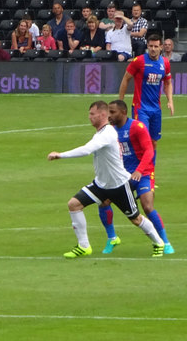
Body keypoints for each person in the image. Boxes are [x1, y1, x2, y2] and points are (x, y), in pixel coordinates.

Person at [47, 100, 165, 258]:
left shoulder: (108, 133)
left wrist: (60, 155)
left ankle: (158, 243)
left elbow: (87, 149)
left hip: (119, 185)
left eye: (92, 114)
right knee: (74, 205)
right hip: (101, 185)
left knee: (136, 219)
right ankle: (84, 246)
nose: (89, 117)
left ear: (102, 115)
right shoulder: (101, 133)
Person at [97, 100, 174, 255]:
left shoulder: (137, 128)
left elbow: (149, 151)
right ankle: (112, 237)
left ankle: (165, 242)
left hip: (143, 172)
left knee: (147, 206)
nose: (109, 116)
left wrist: (139, 171)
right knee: (103, 201)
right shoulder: (109, 130)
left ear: (123, 112)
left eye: (113, 112)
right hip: (122, 175)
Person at [119, 34, 174, 153]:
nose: (153, 49)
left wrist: (170, 101)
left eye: (155, 46)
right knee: (143, 140)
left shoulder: (165, 63)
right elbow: (126, 78)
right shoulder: (139, 61)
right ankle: (140, 168)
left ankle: (151, 170)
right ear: (147, 46)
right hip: (140, 108)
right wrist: (120, 101)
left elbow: (168, 83)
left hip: (156, 109)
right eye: (150, 46)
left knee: (154, 141)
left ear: (161, 47)